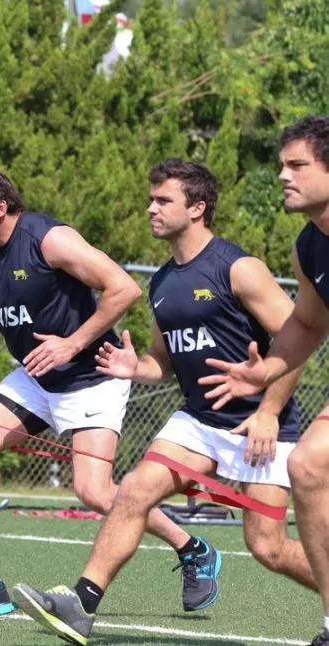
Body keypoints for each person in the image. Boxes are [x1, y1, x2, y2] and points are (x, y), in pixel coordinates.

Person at [12, 159, 316, 645]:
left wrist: (267, 411)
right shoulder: (163, 282)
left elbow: (296, 341)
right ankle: (80, 605)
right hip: (198, 421)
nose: (151, 208)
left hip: (259, 426)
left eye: (163, 200)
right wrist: (137, 369)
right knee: (134, 489)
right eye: (151, 199)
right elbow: (162, 362)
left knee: (268, 547)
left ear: (197, 208)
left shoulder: (239, 268)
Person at [0, 165, 207, 618]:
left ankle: (191, 546)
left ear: (0, 208)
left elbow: (124, 288)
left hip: (90, 376)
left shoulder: (49, 239)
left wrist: (72, 343)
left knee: (94, 493)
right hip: (36, 376)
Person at [197, 116, 329, 646]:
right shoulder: (310, 246)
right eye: (281, 165)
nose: (282, 175)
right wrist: (267, 370)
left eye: (297, 165)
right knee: (308, 464)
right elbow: (307, 323)